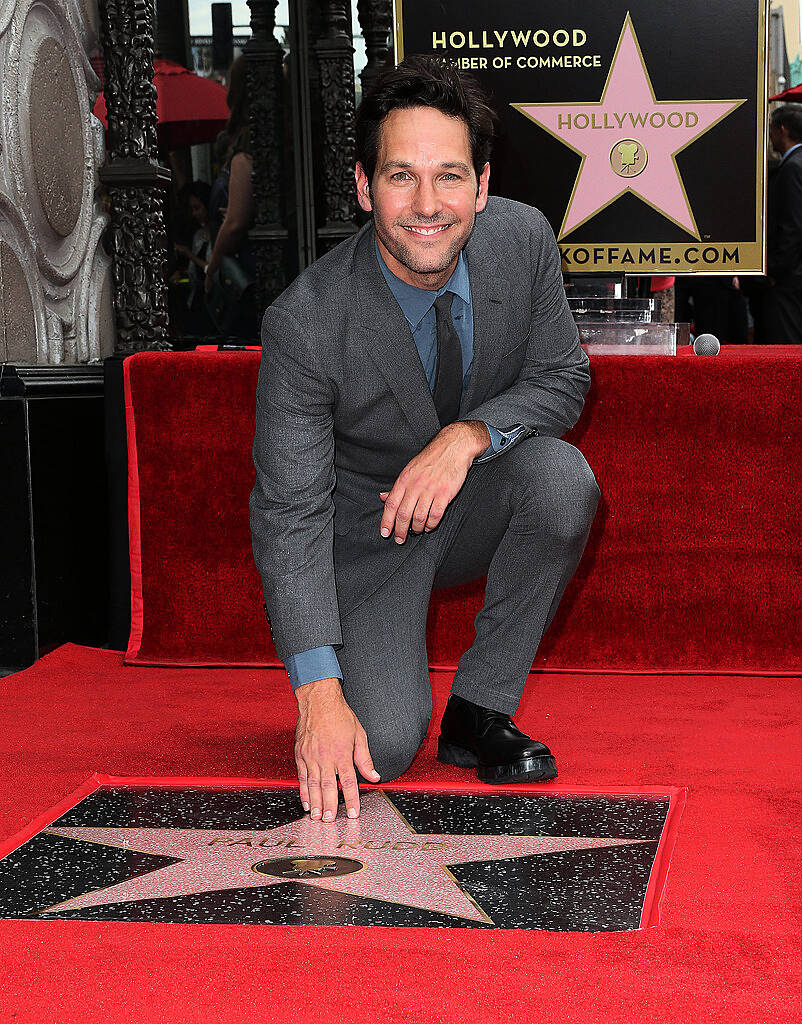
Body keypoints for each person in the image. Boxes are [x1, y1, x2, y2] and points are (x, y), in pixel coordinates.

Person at [249, 57, 599, 823]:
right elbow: (289, 511)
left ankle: (479, 711)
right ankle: (370, 688)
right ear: (363, 185)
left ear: (481, 185)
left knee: (561, 480)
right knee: (383, 748)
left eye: (449, 176)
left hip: (469, 497)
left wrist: (465, 438)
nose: (427, 204)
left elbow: (563, 379)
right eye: (401, 176)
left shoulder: (524, 238)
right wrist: (316, 695)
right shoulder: (307, 322)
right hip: (366, 541)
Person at [765, 104, 802, 344]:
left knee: (788, 342)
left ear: (782, 130)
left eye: (770, 129)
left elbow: (793, 225)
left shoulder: (792, 168)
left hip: (790, 276)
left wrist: (775, 271)